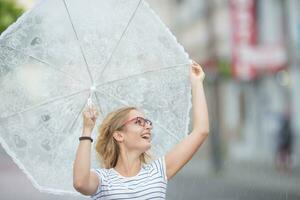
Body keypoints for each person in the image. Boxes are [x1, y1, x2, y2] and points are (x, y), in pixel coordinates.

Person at [72, 61, 209, 199]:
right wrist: (87, 129)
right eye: (139, 122)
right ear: (119, 135)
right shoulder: (103, 180)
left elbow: (201, 131)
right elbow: (80, 183)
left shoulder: (158, 172)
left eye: (147, 122)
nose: (148, 126)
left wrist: (197, 83)